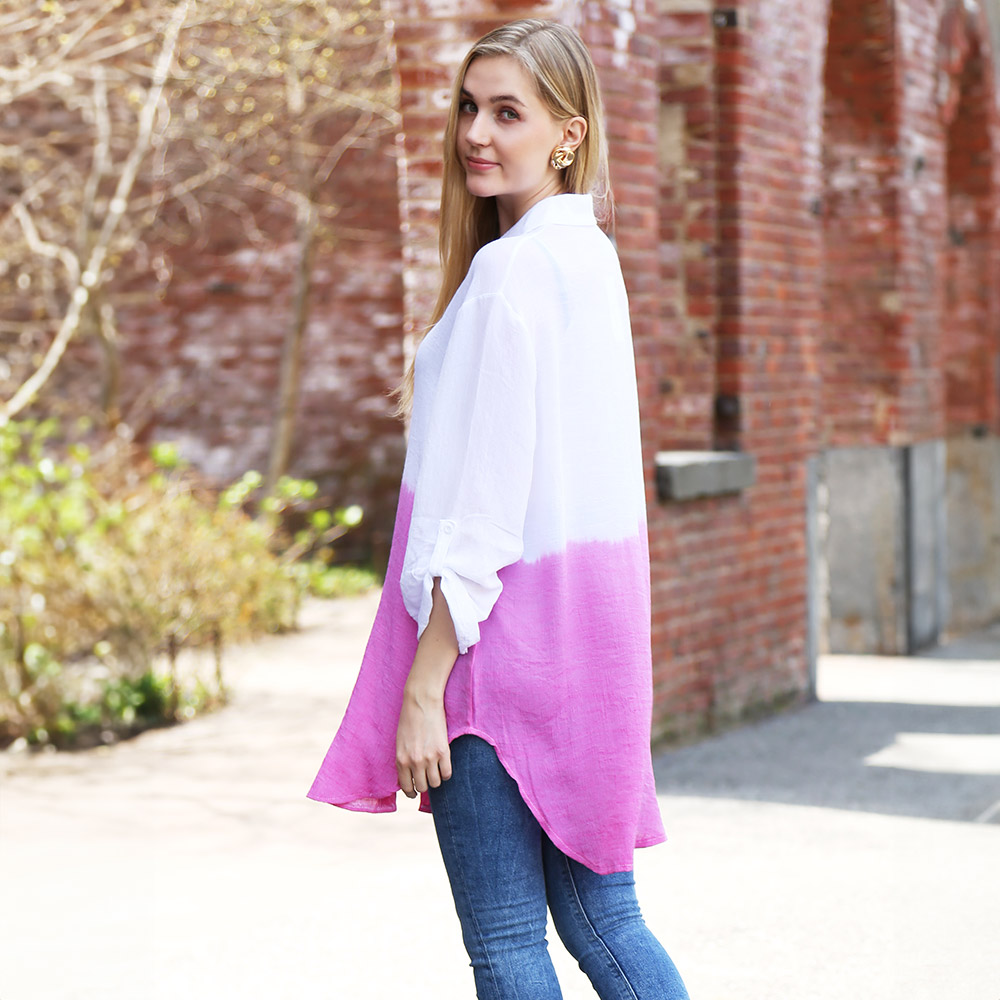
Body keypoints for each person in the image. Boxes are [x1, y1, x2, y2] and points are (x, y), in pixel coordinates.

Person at [308, 18, 689, 1000]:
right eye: (469, 107)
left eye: (508, 113)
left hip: (492, 661)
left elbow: (482, 510)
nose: (476, 133)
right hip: (588, 651)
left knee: (509, 945)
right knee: (608, 924)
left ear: (567, 134)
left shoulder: (509, 272)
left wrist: (424, 684)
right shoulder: (586, 257)